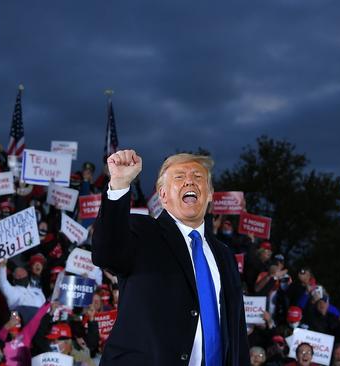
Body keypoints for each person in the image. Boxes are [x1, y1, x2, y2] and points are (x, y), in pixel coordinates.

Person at [92, 151, 249, 365]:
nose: (189, 181)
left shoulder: (225, 255)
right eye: (179, 177)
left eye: (198, 176)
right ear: (163, 195)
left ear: (210, 193)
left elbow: (236, 330)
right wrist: (119, 184)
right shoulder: (141, 231)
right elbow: (106, 253)